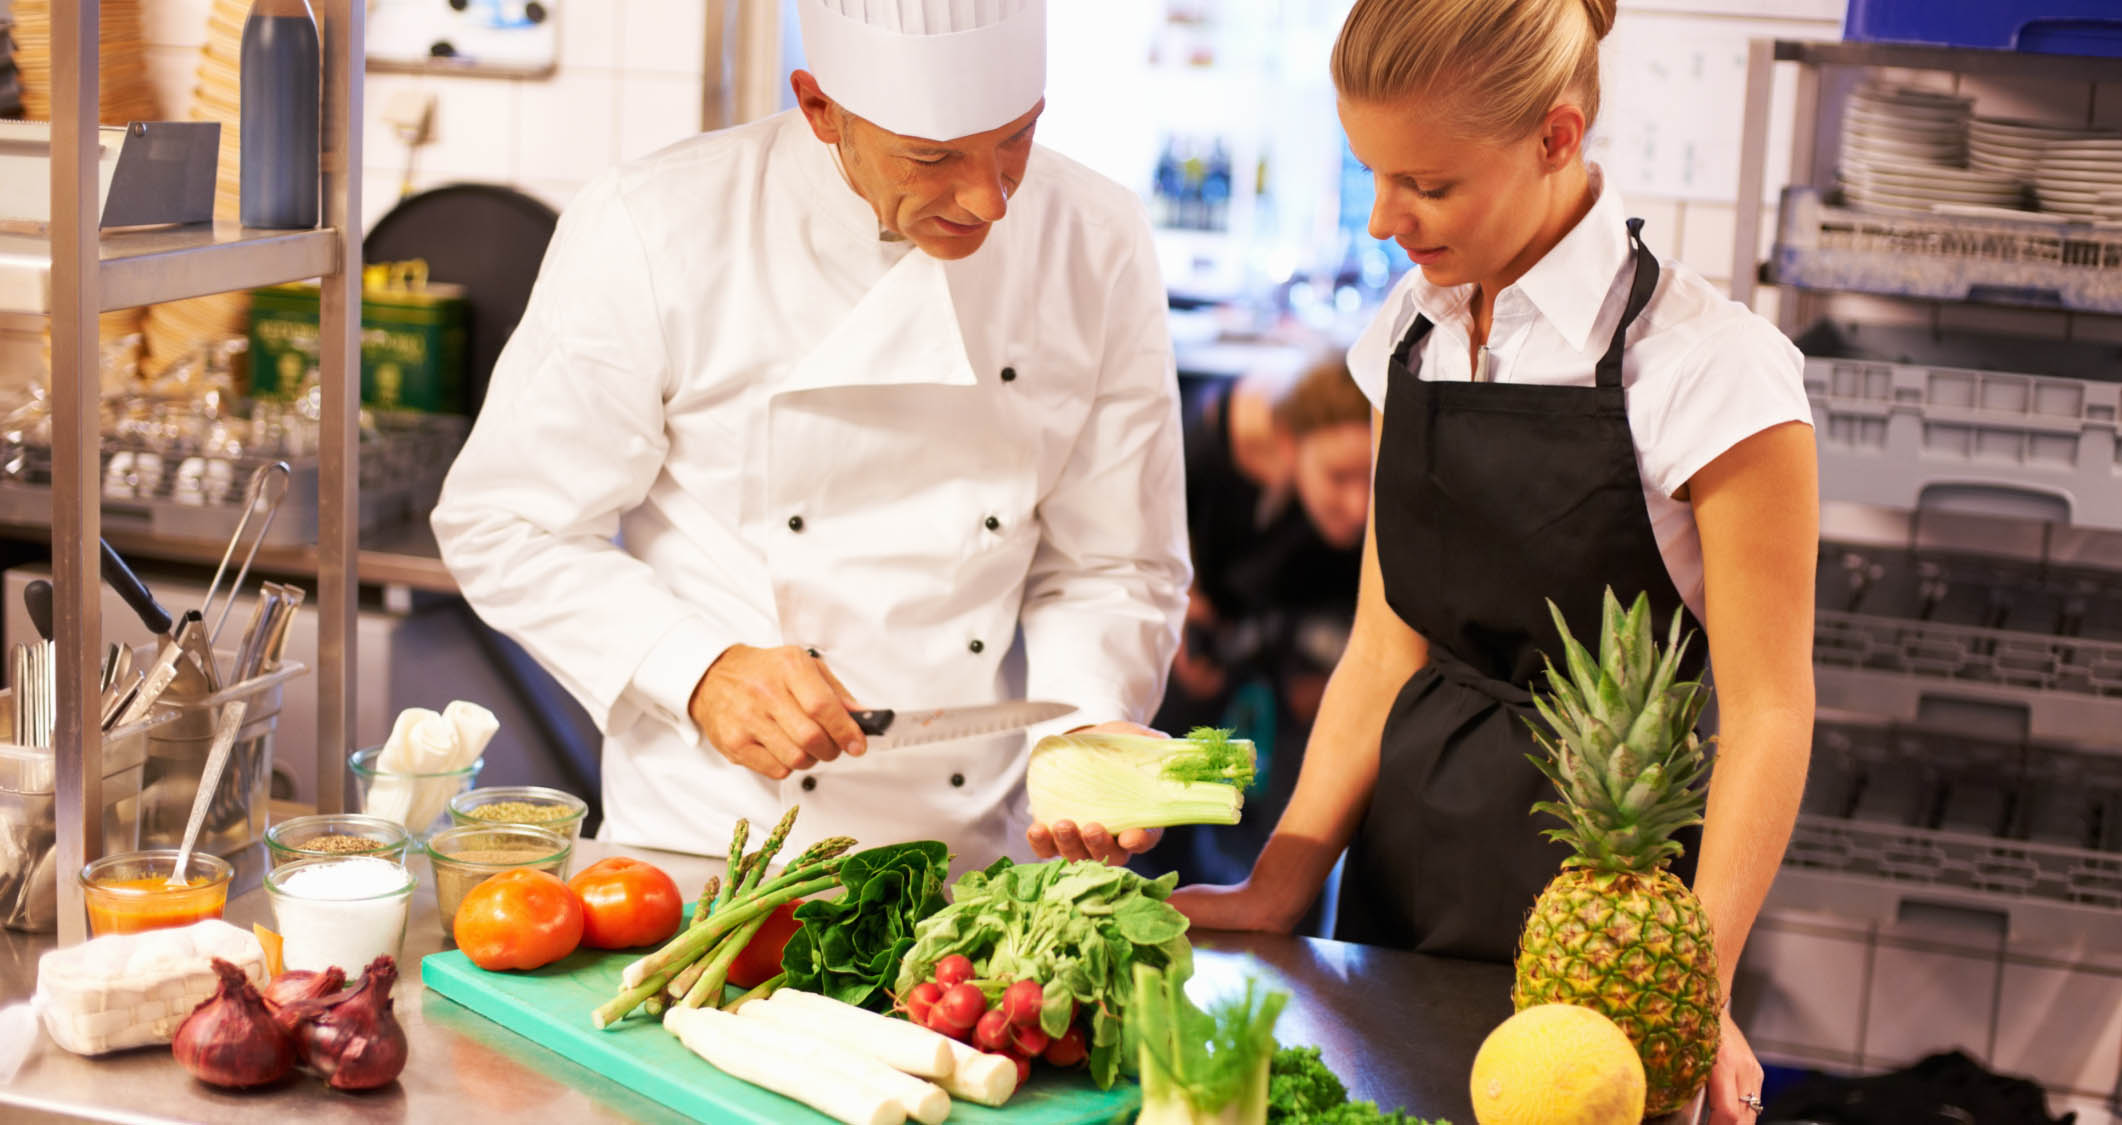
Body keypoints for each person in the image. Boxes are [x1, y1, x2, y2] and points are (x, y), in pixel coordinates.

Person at [1166, 2, 1818, 1123]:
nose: (1382, 221)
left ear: (1555, 138)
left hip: (1616, 897)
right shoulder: (1405, 334)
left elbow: (1769, 710)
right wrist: (1280, 881)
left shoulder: (1715, 372)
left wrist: (1690, 981)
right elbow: (1385, 643)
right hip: (1401, 870)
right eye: (1370, 175)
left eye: (1426, 185)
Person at [431, 0, 1189, 872]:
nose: (990, 198)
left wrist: (1087, 727)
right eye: (933, 156)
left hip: (970, 861)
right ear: (820, 106)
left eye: (1017, 137)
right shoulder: (656, 224)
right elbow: (503, 521)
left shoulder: (1097, 238)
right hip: (710, 850)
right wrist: (697, 667)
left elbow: (1115, 564)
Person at [1143, 355, 1370, 888]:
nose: (1359, 508)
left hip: (1303, 636)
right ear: (1289, 444)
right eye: (1337, 477)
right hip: (1211, 634)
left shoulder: (1360, 498)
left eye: (1372, 478)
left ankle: (1287, 901)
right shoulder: (1208, 446)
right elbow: (1140, 554)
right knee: (1182, 744)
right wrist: (1183, 607)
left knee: (1314, 763)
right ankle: (1175, 884)